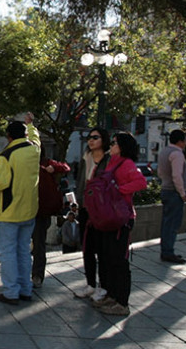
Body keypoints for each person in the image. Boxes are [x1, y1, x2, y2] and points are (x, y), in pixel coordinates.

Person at [86, 132, 148, 316]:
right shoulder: (110, 162)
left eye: (114, 143)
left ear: (122, 146)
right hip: (108, 218)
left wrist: (119, 191)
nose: (111, 145)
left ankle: (122, 302)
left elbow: (141, 183)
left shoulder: (126, 164)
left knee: (119, 261)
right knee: (107, 258)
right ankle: (111, 295)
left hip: (121, 218)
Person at [0, 120, 40, 305]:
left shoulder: (6, 155)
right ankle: (26, 289)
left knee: (8, 253)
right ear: (25, 135)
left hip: (10, 212)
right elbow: (36, 138)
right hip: (30, 209)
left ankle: (11, 292)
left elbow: (0, 183)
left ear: (9, 137)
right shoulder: (35, 149)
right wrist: (31, 125)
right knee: (24, 251)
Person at [72, 129, 110, 303]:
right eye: (89, 138)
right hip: (86, 206)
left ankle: (103, 286)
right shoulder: (86, 157)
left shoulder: (109, 159)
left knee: (102, 248)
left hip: (102, 208)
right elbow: (81, 180)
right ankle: (90, 283)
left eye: (95, 137)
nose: (91, 141)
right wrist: (79, 199)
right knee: (87, 247)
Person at [32, 154, 69, 287]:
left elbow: (65, 167)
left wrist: (53, 168)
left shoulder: (46, 163)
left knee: (39, 244)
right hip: (25, 208)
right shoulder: (23, 162)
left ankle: (37, 275)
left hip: (41, 210)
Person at [157, 130, 186, 264]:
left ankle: (166, 250)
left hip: (165, 189)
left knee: (166, 222)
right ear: (181, 141)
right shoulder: (177, 154)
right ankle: (168, 251)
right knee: (173, 223)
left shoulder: (164, 151)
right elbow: (177, 175)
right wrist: (182, 193)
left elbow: (160, 171)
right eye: (185, 140)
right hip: (173, 192)